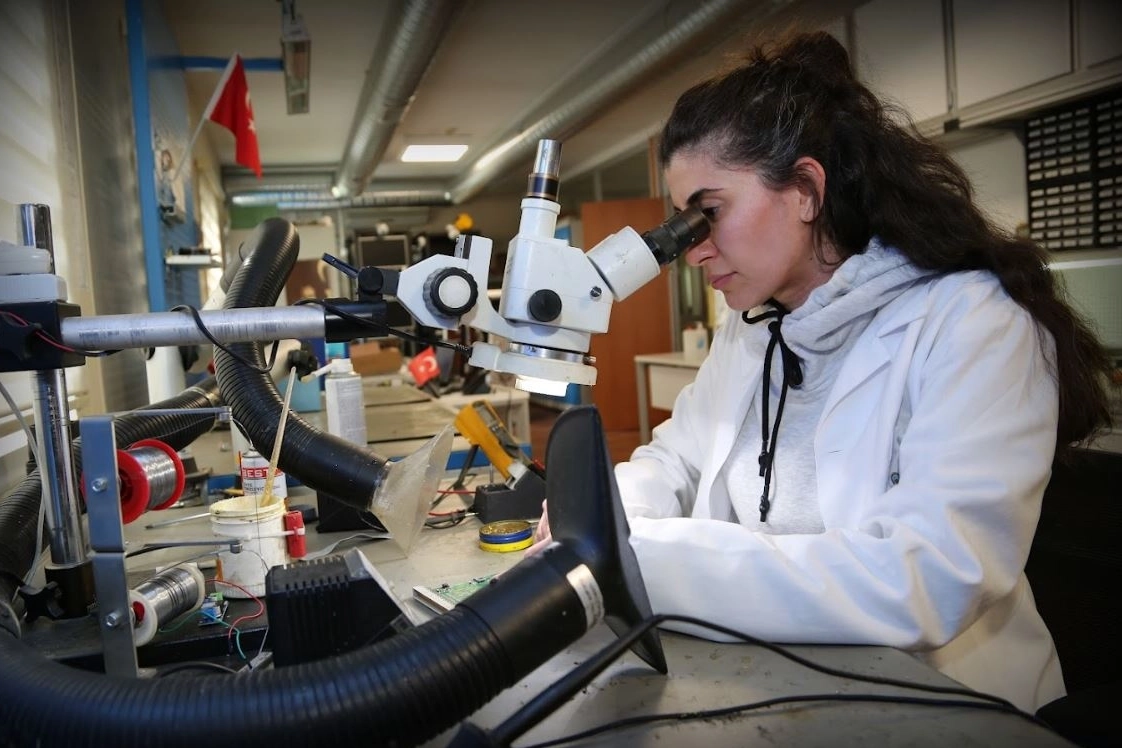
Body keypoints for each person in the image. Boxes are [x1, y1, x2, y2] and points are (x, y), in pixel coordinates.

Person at [530, 30, 1115, 714]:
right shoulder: (751, 329)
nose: (694, 250)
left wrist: (647, 559)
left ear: (806, 189)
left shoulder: (974, 324)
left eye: (708, 214)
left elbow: (927, 578)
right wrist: (604, 515)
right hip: (784, 684)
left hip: (949, 705)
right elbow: (676, 460)